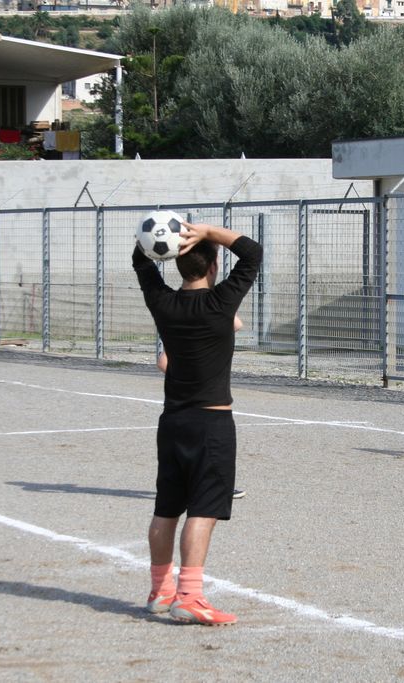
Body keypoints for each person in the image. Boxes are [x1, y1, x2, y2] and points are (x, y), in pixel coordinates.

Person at [132, 220, 263, 626]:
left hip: (172, 421)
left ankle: (160, 591)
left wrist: (162, 241)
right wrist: (207, 231)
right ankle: (189, 596)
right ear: (213, 266)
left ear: (173, 261)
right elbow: (253, 252)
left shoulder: (163, 302)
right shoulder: (222, 302)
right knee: (203, 511)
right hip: (212, 424)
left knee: (166, 508)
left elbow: (141, 260)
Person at [157, 315, 248, 501]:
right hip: (195, 399)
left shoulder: (213, 329)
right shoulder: (185, 327)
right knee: (204, 445)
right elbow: (163, 362)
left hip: (207, 398)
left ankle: (209, 487)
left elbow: (237, 324)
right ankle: (205, 489)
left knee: (206, 446)